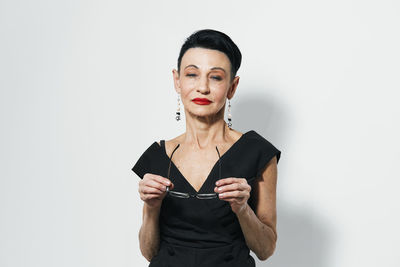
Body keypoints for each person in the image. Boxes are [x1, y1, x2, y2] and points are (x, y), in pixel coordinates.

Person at [132, 29, 281, 267]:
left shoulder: (258, 152)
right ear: (177, 81)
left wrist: (242, 209)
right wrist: (152, 207)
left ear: (232, 86)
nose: (202, 87)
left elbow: (265, 249)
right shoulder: (159, 155)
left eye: (216, 77)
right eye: (192, 74)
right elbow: (150, 253)